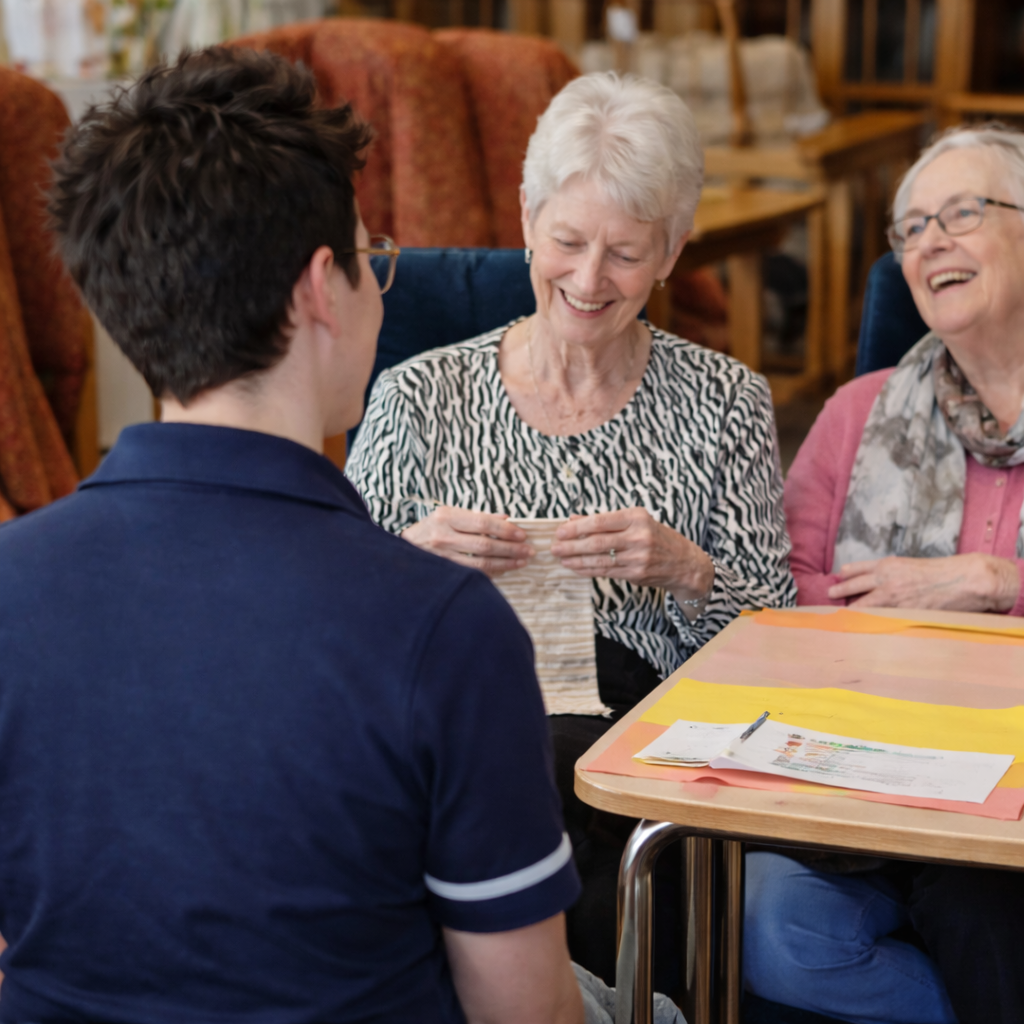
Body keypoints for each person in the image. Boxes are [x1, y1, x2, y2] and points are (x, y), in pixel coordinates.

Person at [0, 46, 640, 1024]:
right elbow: (525, 1014)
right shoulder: (446, 629)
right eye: (369, 258)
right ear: (316, 291)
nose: (379, 288)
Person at [346, 71, 796, 983]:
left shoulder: (727, 404)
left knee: (562, 784)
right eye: (567, 241)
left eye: (627, 253)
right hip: (453, 721)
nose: (590, 280)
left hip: (649, 743)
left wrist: (686, 571)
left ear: (674, 251)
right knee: (526, 767)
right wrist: (404, 562)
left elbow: (777, 652)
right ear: (525, 220)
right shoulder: (418, 397)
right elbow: (325, 618)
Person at [746, 125, 1024, 1024]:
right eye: (910, 229)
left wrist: (991, 583)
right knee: (770, 927)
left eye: (962, 213)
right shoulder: (858, 414)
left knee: (985, 908)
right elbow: (783, 592)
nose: (929, 240)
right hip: (869, 780)